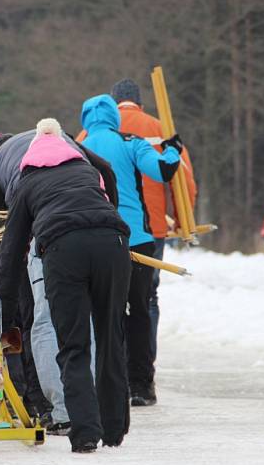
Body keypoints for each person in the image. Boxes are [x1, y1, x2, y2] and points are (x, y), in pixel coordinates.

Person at [0, 118, 133, 453]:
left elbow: (12, 249)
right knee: (111, 335)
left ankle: (85, 432)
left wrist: (3, 305)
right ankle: (114, 427)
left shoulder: (26, 181)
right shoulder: (86, 170)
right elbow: (108, 180)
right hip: (112, 243)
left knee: (73, 343)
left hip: (62, 249)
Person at [0, 130, 118, 432]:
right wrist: (110, 214)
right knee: (90, 318)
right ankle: (93, 405)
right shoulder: (68, 144)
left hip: (51, 239)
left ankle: (61, 411)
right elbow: (108, 173)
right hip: (106, 233)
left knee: (43, 319)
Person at [80, 78, 198, 402]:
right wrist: (172, 149)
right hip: (137, 238)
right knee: (141, 307)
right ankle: (141, 385)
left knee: (103, 310)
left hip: (92, 239)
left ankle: (107, 383)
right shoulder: (132, 140)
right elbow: (164, 170)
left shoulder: (78, 145)